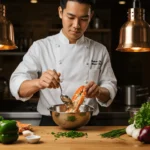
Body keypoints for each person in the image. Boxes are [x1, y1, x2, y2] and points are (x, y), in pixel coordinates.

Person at [9, 0, 117, 126]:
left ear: (91, 16)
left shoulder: (100, 50)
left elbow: (110, 87)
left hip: (88, 123)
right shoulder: (41, 47)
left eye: (83, 19)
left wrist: (98, 91)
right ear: (60, 12)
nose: (76, 25)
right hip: (51, 123)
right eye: (71, 17)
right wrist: (39, 82)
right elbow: (16, 84)